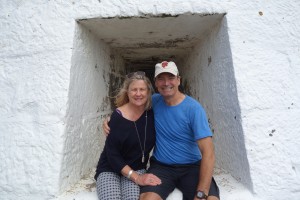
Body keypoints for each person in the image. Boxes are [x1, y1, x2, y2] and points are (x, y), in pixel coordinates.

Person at [104, 61, 220, 200]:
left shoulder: (194, 109)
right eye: (161, 79)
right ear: (155, 83)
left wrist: (201, 193)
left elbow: (208, 152)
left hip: (192, 167)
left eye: (171, 78)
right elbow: (132, 106)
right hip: (162, 167)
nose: (166, 83)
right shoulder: (154, 101)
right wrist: (111, 118)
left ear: (178, 80)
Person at [94, 71, 161, 200]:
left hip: (137, 167)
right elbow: (112, 154)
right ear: (127, 92)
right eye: (134, 90)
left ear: (148, 92)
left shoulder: (152, 113)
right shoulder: (118, 117)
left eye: (142, 89)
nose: (138, 93)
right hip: (110, 168)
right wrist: (136, 177)